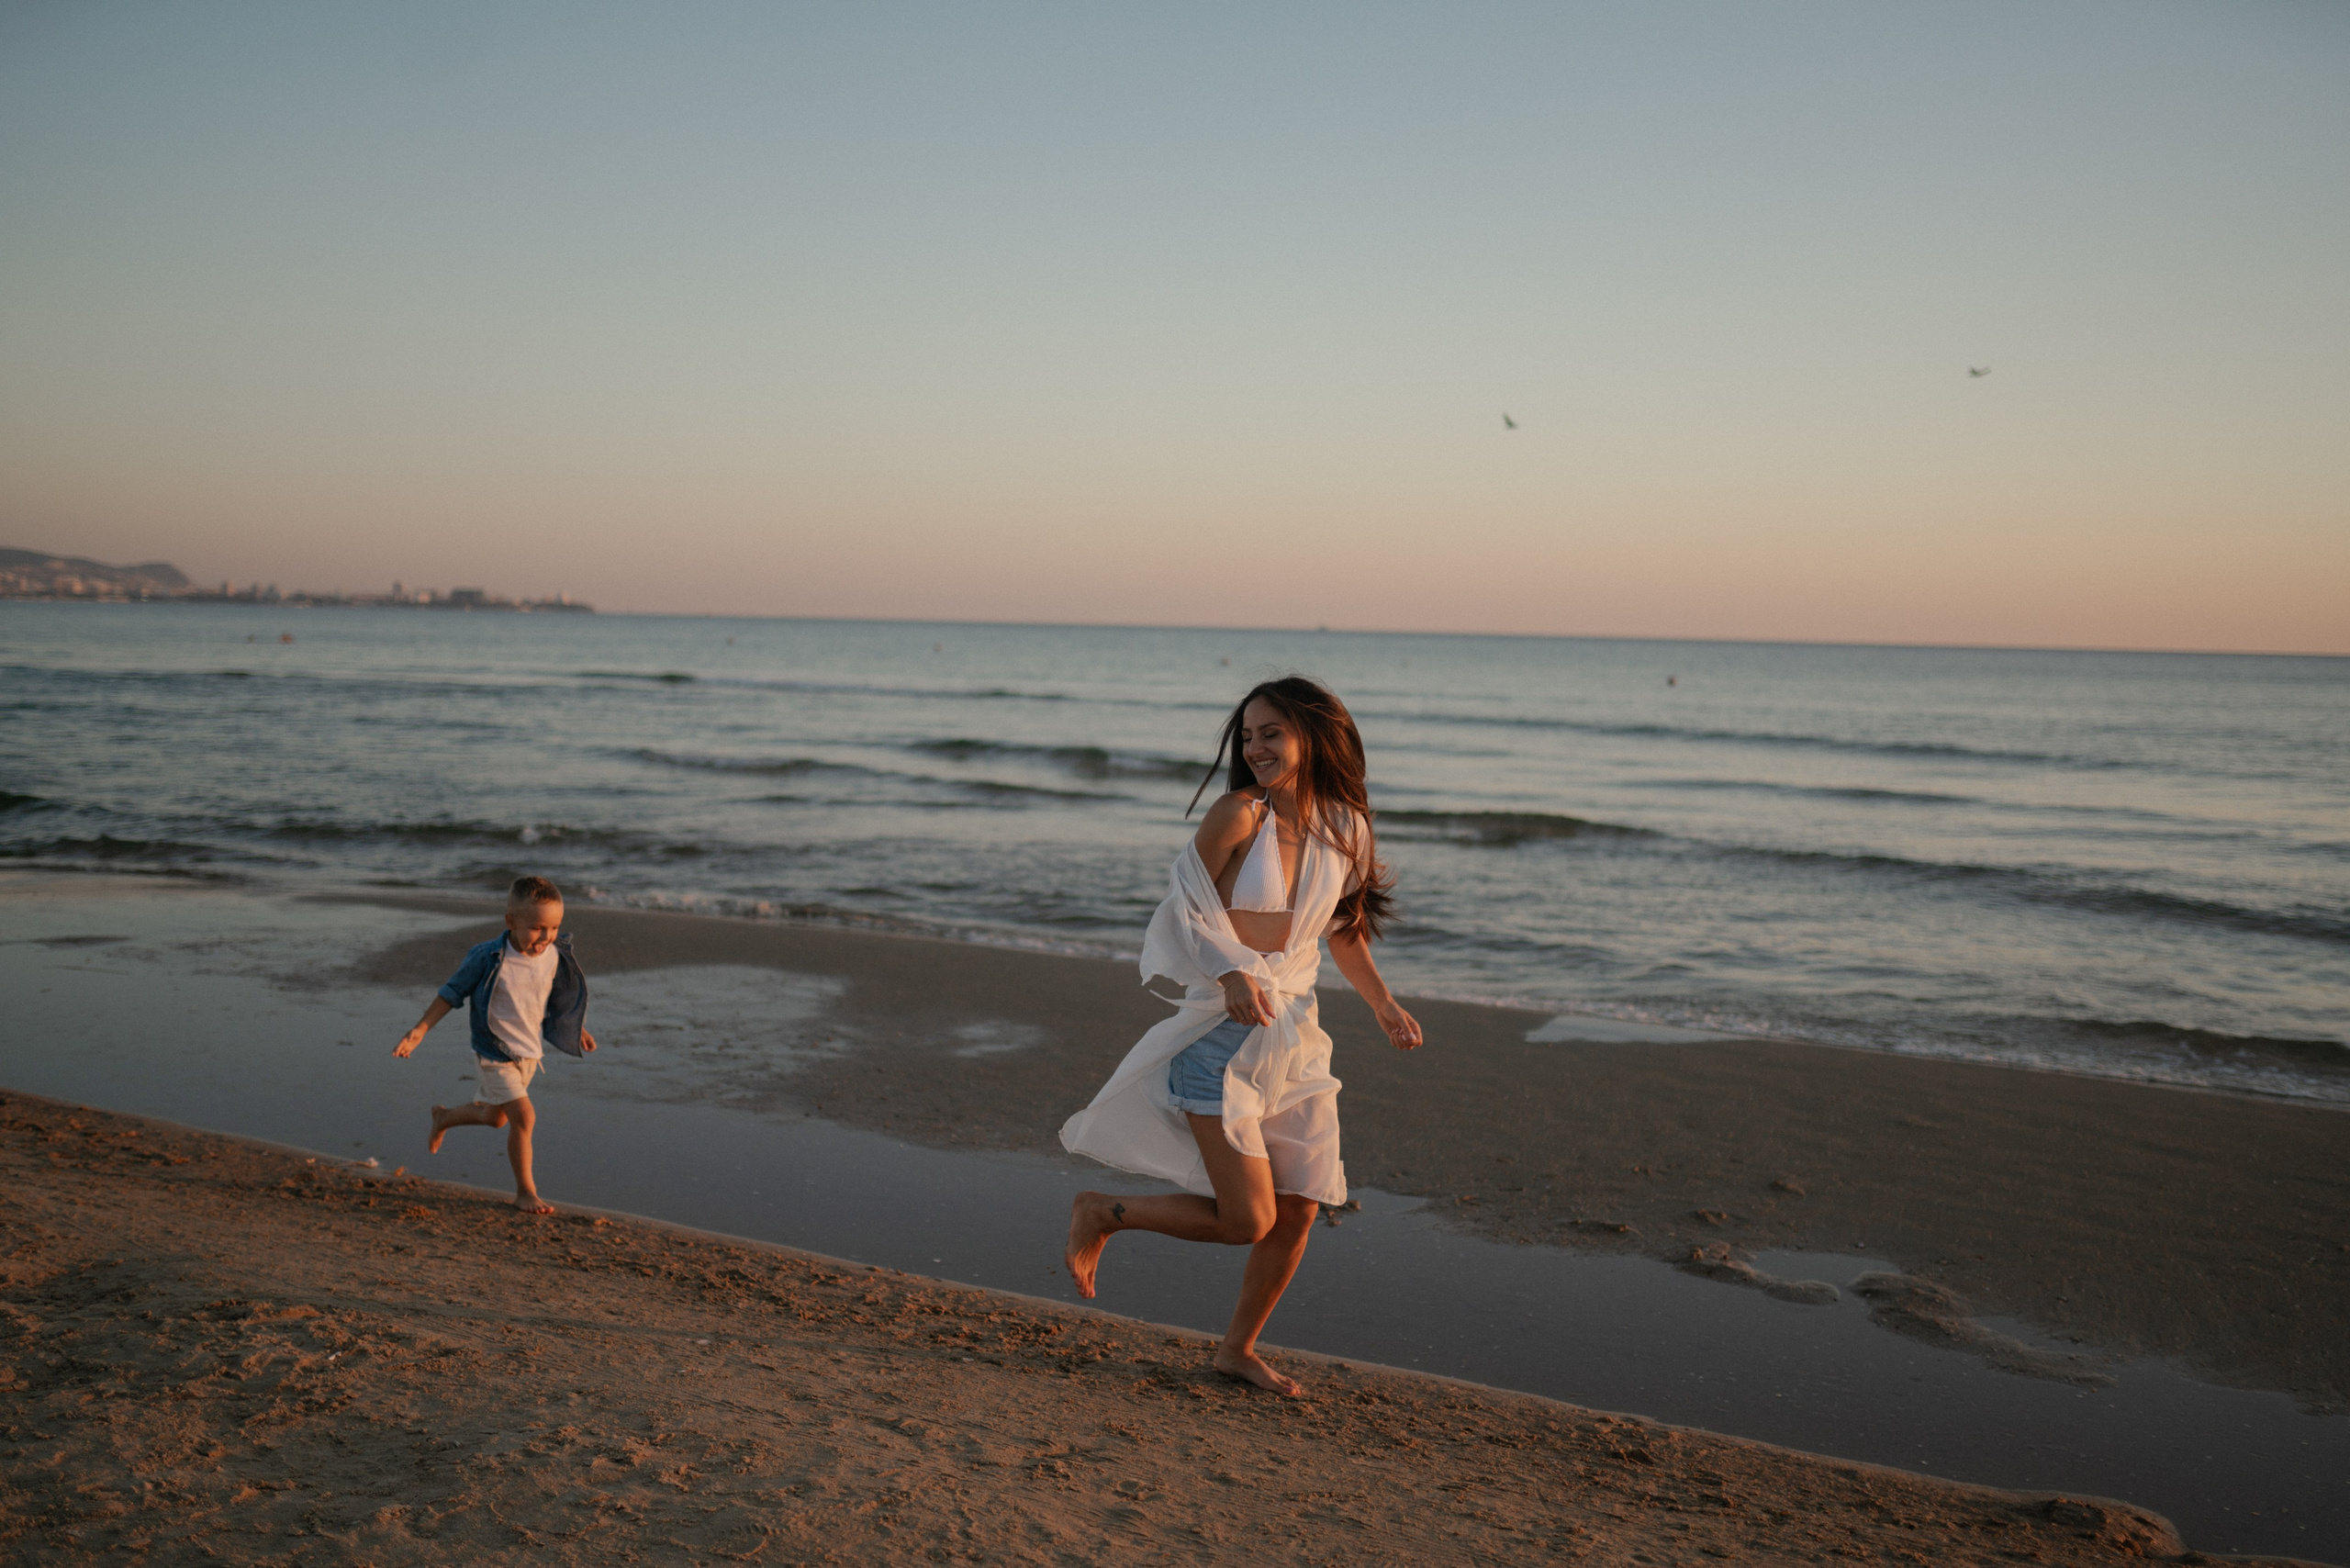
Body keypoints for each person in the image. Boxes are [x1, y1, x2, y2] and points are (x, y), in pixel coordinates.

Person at [1060, 676, 1423, 1395]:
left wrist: (1383, 1004)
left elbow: (1343, 928)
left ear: (1314, 735)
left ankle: (1237, 1350)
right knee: (1248, 1219)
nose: (1255, 747)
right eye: (1248, 735)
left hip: (1295, 1038)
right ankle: (1102, 1211)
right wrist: (1229, 972)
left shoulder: (1347, 825)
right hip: (1219, 1043)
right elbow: (1183, 911)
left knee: (1301, 1208)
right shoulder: (1238, 815)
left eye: (1271, 733)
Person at [393, 875, 596, 1215]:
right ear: (510, 921)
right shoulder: (488, 957)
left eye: (554, 927)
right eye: (537, 928)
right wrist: (420, 1030)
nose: (546, 937)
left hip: (529, 1054)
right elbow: (451, 993)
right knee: (524, 1117)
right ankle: (526, 1192)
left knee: (495, 1118)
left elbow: (553, 997)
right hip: (494, 1053)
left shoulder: (553, 955)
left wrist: (577, 1028)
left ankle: (443, 1117)